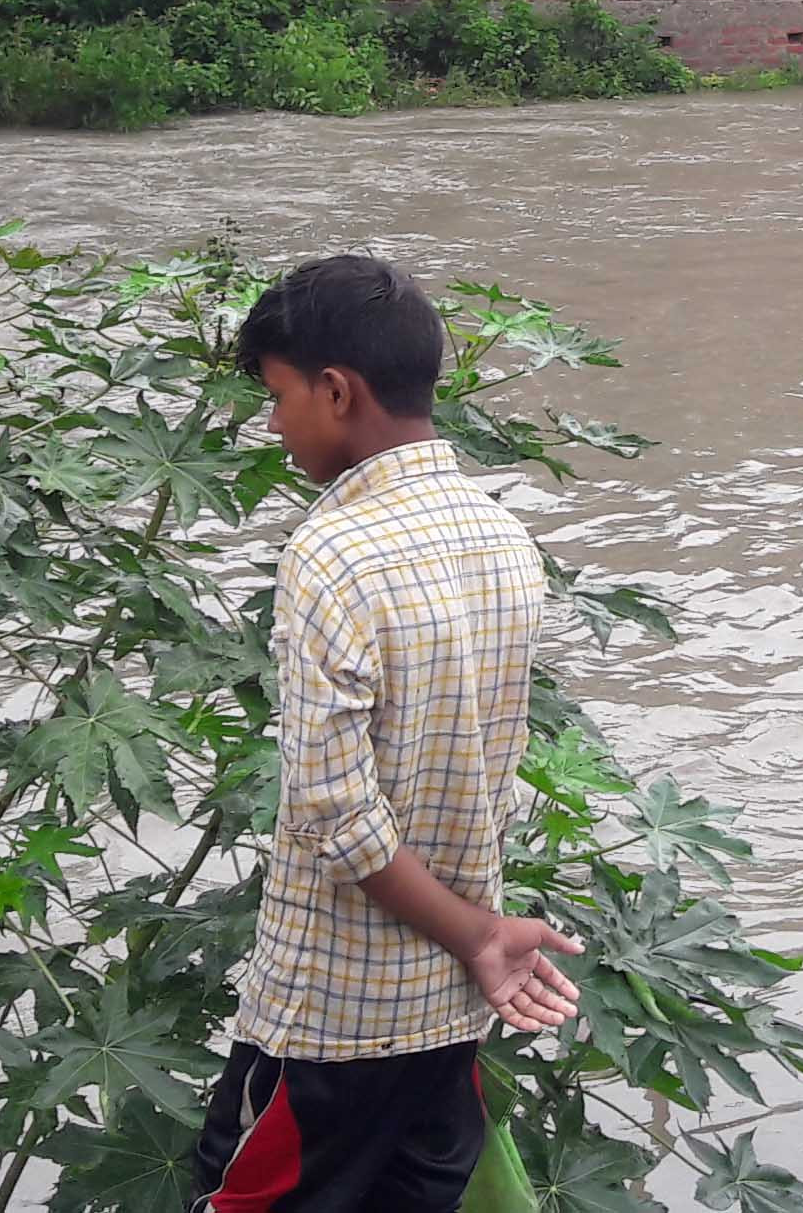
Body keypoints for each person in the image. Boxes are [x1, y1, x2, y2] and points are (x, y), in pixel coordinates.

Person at [197, 255, 574, 1212]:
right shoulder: (503, 540)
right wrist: (477, 938)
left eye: (279, 397)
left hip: (330, 1019)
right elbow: (489, 768)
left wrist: (482, 934)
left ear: (336, 390)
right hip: (448, 1019)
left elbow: (335, 814)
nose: (274, 424)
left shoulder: (332, 553)